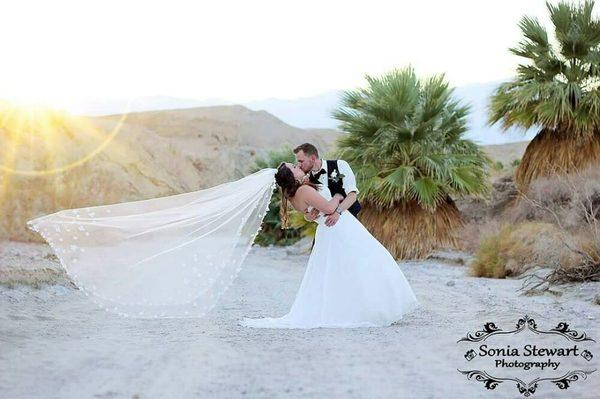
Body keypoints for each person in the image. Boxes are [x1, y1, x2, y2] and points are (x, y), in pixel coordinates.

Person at [239, 162, 419, 329]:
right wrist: (339, 194)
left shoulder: (294, 195)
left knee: (350, 268)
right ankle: (373, 309)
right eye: (294, 166)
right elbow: (329, 209)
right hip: (339, 229)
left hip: (332, 230)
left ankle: (370, 308)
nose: (297, 165)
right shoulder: (303, 190)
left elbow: (310, 214)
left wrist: (314, 212)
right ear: (292, 176)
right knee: (367, 262)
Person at [293, 143, 361, 227]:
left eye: (301, 161)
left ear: (313, 158)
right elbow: (306, 211)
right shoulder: (307, 180)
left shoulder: (340, 165)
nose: (299, 165)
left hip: (351, 221)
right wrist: (308, 217)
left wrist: (337, 212)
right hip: (327, 226)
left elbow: (352, 195)